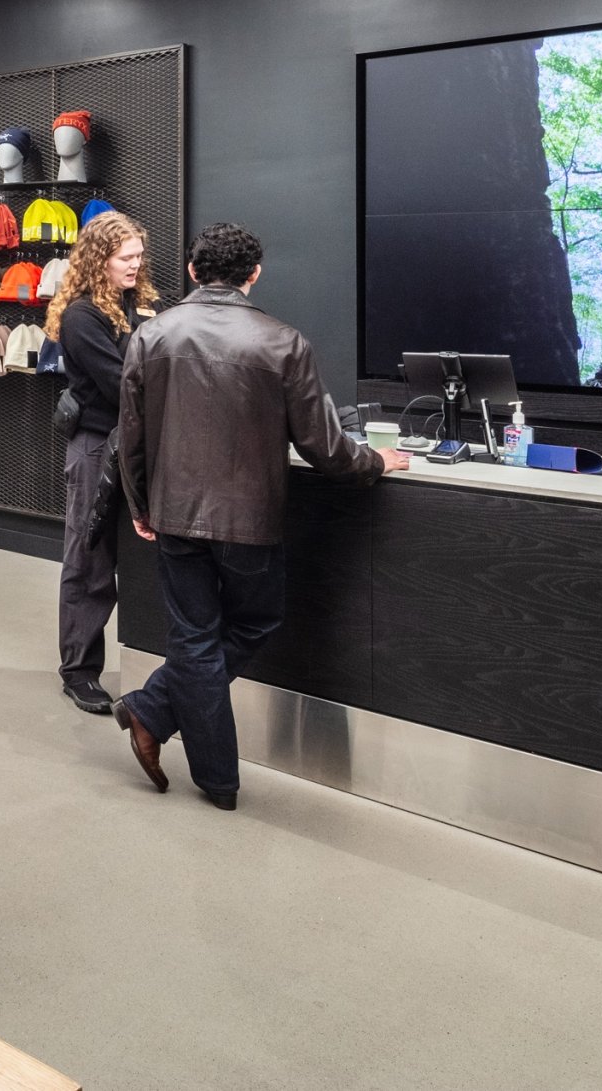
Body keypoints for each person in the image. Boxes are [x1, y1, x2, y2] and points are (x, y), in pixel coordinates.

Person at [111, 221, 406, 810]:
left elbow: (131, 439)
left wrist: (141, 504)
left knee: (194, 639)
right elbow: (324, 446)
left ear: (193, 271)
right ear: (254, 274)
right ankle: (198, 760)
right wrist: (375, 461)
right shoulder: (283, 342)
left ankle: (156, 712)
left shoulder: (152, 335)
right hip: (250, 519)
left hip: (173, 514)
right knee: (253, 623)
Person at [49, 210, 158, 716]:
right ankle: (79, 671)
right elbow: (121, 385)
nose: (136, 265)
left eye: (139, 256)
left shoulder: (144, 304)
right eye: (126, 258)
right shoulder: (82, 316)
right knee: (89, 559)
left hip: (138, 444)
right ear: (100, 259)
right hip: (96, 447)